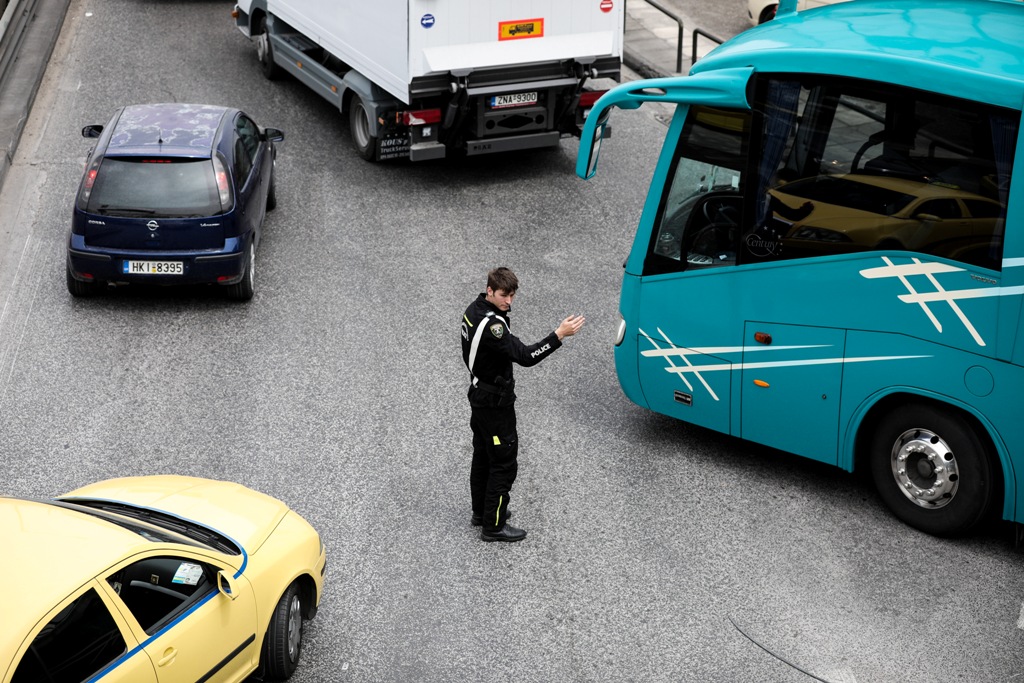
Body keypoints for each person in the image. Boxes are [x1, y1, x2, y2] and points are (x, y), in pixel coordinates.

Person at [460, 267, 585, 542]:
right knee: (504, 462)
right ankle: (493, 526)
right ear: (490, 290)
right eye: (504, 295)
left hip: (479, 394)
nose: (509, 302)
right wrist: (558, 335)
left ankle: (481, 512)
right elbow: (527, 356)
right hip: (494, 404)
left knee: (482, 455)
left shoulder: (474, 309)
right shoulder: (494, 327)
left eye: (513, 295)